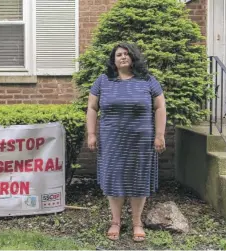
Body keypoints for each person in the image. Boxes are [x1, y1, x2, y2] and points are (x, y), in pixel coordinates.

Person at [86, 42, 166, 242]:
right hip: (112, 140)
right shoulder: (103, 81)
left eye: (126, 54)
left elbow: (160, 107)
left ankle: (137, 223)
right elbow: (92, 108)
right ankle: (116, 221)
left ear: (133, 58)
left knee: (138, 179)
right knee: (114, 179)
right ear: (113, 60)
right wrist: (91, 133)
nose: (122, 57)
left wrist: (160, 134)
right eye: (118, 54)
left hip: (141, 140)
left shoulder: (147, 80)